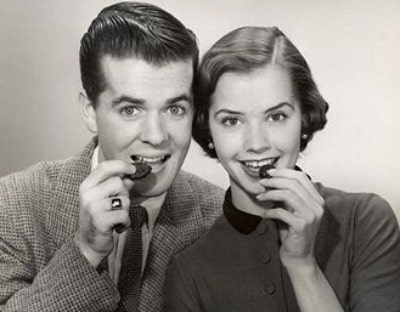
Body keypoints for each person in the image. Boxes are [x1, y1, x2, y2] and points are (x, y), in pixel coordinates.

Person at [0, 2, 224, 311]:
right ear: (90, 112)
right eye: (131, 110)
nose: (157, 136)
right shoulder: (12, 205)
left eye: (175, 109)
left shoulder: (221, 218)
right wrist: (84, 250)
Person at [165, 26, 400, 311]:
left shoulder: (365, 220)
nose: (256, 143)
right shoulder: (188, 271)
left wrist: (303, 266)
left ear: (304, 117)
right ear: (206, 129)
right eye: (231, 121)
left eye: (276, 116)